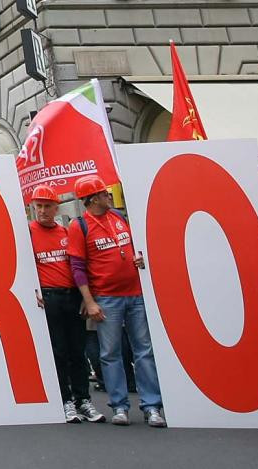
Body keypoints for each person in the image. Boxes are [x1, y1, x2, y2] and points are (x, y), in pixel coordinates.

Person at [68, 176, 164, 428]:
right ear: (93, 199)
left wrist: (137, 259)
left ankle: (152, 406)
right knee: (110, 354)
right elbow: (77, 267)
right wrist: (90, 302)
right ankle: (119, 406)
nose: (109, 197)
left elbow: (133, 248)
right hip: (107, 298)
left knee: (144, 350)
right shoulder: (80, 226)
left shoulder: (118, 218)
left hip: (135, 295)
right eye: (104, 193)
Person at [28, 185, 103, 424]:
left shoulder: (66, 232)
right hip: (49, 299)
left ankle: (83, 400)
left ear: (56, 207)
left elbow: (78, 265)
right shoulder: (28, 233)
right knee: (58, 352)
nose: (42, 211)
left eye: (47, 206)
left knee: (77, 352)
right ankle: (65, 400)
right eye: (38, 206)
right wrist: (33, 291)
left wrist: (84, 297)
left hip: (71, 297)